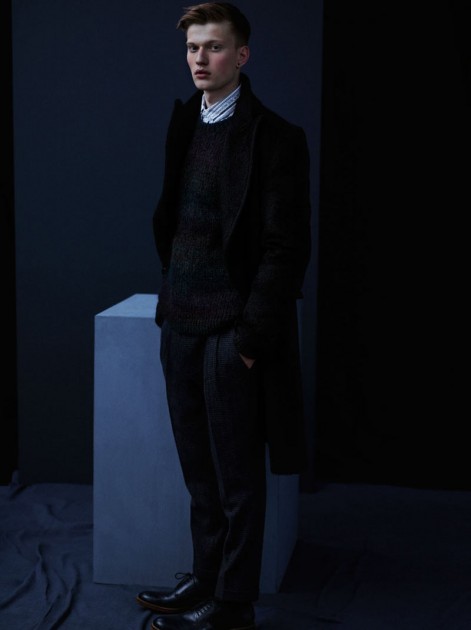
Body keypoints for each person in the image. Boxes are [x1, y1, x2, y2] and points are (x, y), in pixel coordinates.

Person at [136, 3, 311, 629]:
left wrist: (249, 337)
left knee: (237, 477)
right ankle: (205, 579)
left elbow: (285, 248)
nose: (200, 59)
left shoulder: (275, 137)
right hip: (180, 322)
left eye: (213, 47)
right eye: (192, 48)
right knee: (199, 472)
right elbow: (176, 223)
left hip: (230, 332)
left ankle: (233, 605)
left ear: (242, 55)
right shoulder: (186, 122)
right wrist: (172, 299)